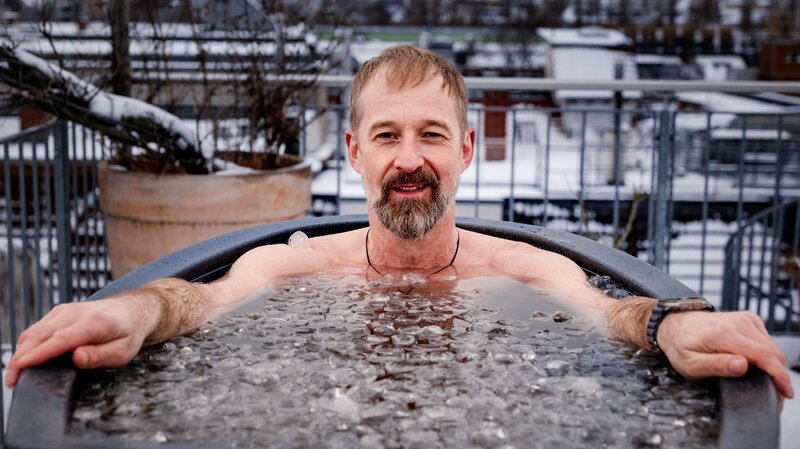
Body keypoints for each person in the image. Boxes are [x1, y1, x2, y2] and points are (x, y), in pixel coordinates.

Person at [5, 45, 793, 405]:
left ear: (468, 149)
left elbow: (609, 311)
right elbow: (201, 302)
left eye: (432, 134)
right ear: (353, 149)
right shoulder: (304, 264)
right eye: (388, 135)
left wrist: (669, 323)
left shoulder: (522, 269)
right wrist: (133, 309)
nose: (409, 158)